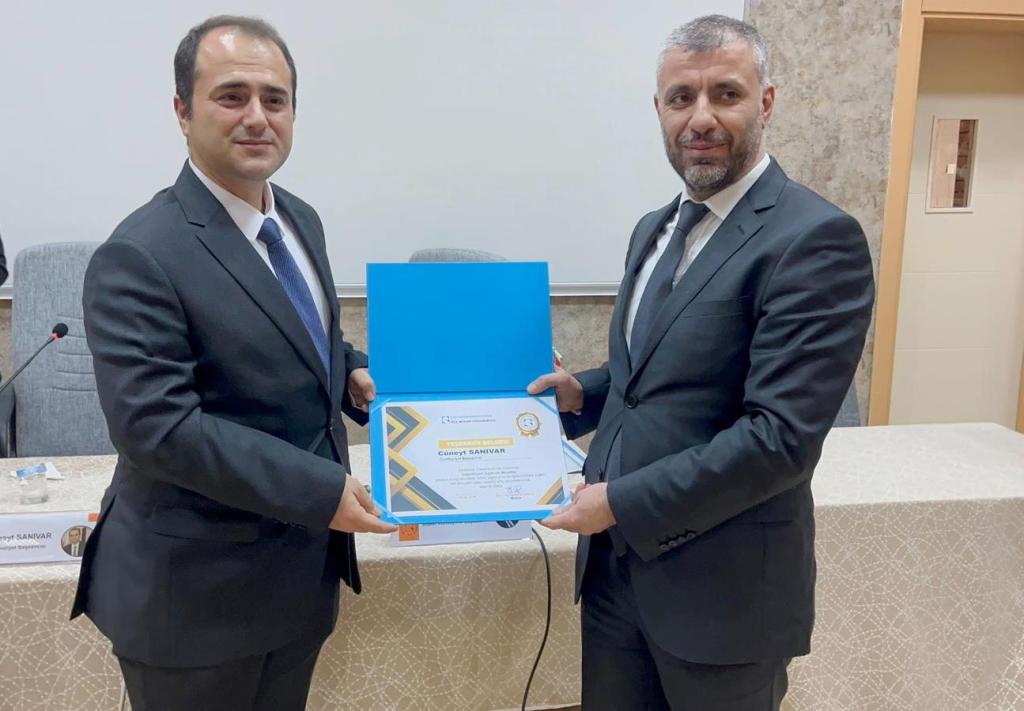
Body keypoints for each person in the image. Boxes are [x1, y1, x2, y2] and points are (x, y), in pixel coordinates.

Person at [528, 15, 874, 711]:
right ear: (658, 109)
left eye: (726, 94)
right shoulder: (653, 229)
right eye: (682, 97)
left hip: (726, 597)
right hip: (616, 580)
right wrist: (581, 395)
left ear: (765, 102)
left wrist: (618, 502)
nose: (701, 118)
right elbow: (652, 381)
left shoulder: (814, 239)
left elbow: (778, 441)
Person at [70, 16, 395, 710]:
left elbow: (289, 332)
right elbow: (158, 429)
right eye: (231, 96)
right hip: (194, 602)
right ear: (182, 111)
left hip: (298, 583)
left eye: (275, 99)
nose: (257, 117)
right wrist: (320, 490)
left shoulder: (299, 219)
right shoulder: (140, 253)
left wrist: (349, 369)